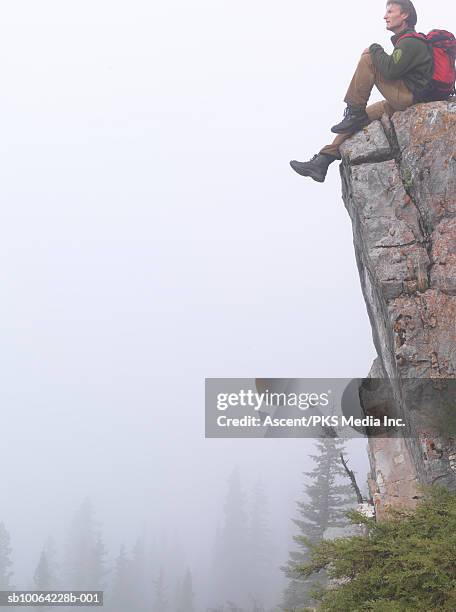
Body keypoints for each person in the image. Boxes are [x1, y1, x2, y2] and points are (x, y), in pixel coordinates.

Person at [290, 0, 432, 183]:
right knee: (363, 117)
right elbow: (395, 69)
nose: (385, 16)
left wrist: (374, 49)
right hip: (406, 98)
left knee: (368, 59)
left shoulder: (411, 42)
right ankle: (323, 160)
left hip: (408, 99)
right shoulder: (407, 42)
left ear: (404, 15)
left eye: (390, 11)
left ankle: (354, 110)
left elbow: (391, 70)